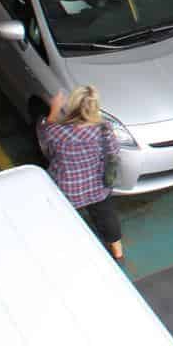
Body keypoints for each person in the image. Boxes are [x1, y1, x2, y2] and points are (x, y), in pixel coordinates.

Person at [37, 85, 124, 263]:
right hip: (97, 186)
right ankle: (118, 253)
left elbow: (44, 138)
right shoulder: (104, 130)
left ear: (73, 106)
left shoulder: (57, 132)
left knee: (65, 220)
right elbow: (113, 152)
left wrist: (53, 110)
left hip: (67, 190)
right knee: (107, 217)